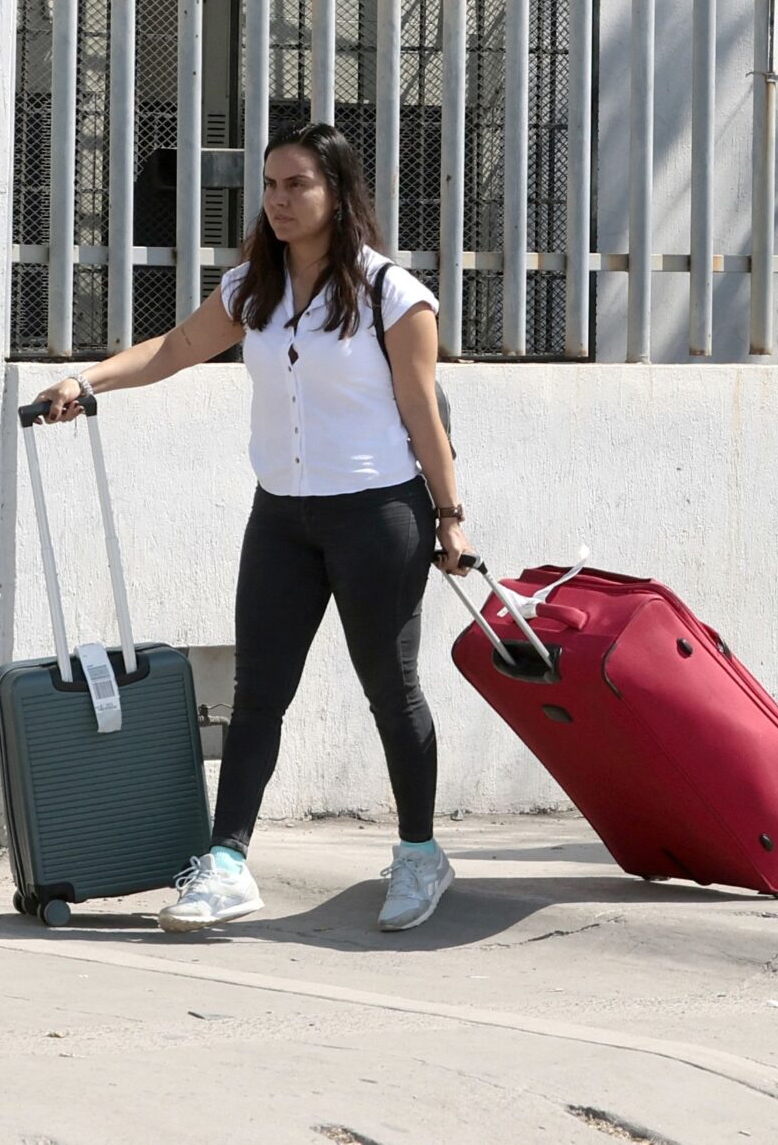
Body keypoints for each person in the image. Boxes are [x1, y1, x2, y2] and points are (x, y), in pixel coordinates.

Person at [31, 122, 470, 933]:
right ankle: (227, 862)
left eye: (297, 184)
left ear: (338, 193)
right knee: (257, 693)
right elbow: (175, 347)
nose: (278, 199)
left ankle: (418, 854)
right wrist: (86, 381)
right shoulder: (252, 289)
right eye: (270, 184)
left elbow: (421, 411)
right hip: (283, 516)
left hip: (379, 514)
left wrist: (450, 519)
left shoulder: (391, 294)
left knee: (390, 687)